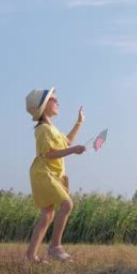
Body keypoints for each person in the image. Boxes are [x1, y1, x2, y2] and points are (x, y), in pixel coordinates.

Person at [24, 87, 86, 263]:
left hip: (50, 174)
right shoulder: (43, 129)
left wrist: (79, 122)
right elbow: (50, 153)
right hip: (44, 173)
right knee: (66, 204)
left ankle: (30, 256)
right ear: (43, 106)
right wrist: (73, 150)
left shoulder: (52, 129)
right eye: (53, 99)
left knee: (48, 214)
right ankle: (55, 247)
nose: (58, 102)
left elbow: (67, 142)